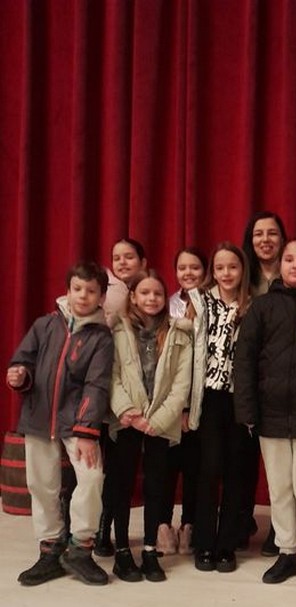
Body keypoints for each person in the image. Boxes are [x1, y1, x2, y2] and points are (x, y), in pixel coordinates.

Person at [7, 261, 114, 586]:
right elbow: (23, 360)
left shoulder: (102, 338)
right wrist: (19, 375)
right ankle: (50, 549)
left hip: (78, 422)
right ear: (67, 291)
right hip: (39, 417)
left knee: (92, 478)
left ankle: (80, 548)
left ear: (101, 297)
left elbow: (97, 385)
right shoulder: (45, 325)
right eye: (77, 289)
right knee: (41, 484)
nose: (83, 296)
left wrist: (86, 432)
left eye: (91, 291)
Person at [234, 237, 296, 585]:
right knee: (280, 487)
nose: (295, 265)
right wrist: (247, 409)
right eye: (289, 259)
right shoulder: (262, 307)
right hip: (270, 413)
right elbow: (244, 359)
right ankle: (287, 552)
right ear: (280, 265)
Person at [109, 271, 192, 582]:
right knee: (122, 484)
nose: (151, 298)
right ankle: (122, 553)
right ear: (133, 296)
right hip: (127, 419)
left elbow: (181, 384)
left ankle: (149, 550)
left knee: (157, 486)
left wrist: (156, 421)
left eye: (157, 293)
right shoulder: (118, 330)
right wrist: (129, 413)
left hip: (159, 423)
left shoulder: (179, 334)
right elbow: (112, 376)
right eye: (144, 293)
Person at [186, 242, 253, 573]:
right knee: (208, 469)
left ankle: (227, 545)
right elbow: (188, 350)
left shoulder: (252, 304)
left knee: (235, 470)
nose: (227, 273)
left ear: (242, 270)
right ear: (213, 271)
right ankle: (204, 543)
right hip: (208, 396)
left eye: (233, 267)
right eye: (221, 267)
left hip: (238, 398)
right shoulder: (200, 302)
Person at [95, 237, 149, 557]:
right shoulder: (105, 292)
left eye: (129, 257)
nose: (123, 262)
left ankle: (116, 533)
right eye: (117, 258)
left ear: (143, 262)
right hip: (99, 393)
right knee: (95, 471)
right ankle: (97, 530)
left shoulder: (148, 293)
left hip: (130, 400)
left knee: (121, 469)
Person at [241, 210, 289, 555]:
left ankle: (280, 528)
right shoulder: (242, 276)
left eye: (272, 233)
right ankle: (242, 520)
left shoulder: (294, 275)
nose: (265, 240)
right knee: (243, 457)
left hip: (281, 376)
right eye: (259, 234)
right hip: (245, 374)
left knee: (280, 462)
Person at [157, 247, 207, 556]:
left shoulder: (211, 303)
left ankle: (190, 524)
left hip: (200, 398)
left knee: (195, 467)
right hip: (168, 399)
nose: (188, 273)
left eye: (195, 267)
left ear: (205, 271)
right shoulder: (167, 304)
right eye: (182, 267)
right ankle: (163, 525)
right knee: (165, 466)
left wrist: (190, 405)